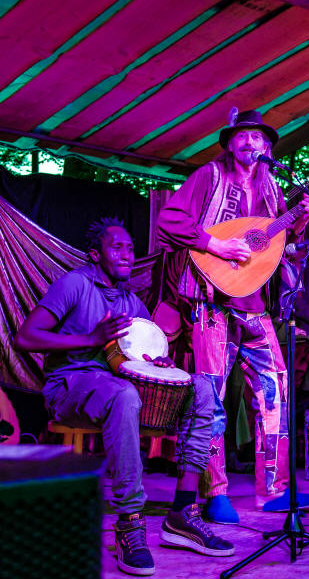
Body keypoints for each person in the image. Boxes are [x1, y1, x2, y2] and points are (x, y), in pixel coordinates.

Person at [15, 218, 234, 577]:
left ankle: (182, 512)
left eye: (131, 248)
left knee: (202, 388)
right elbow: (27, 337)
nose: (127, 254)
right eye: (117, 247)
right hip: (71, 384)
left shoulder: (133, 303)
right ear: (94, 254)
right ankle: (130, 522)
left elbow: (139, 360)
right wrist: (90, 339)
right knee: (124, 395)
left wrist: (157, 363)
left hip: (117, 388)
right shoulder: (75, 284)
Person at [156, 109, 309, 522]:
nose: (251, 144)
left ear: (267, 148)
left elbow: (277, 239)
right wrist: (216, 245)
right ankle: (214, 494)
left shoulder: (271, 187)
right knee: (210, 397)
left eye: (258, 139)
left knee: (275, 390)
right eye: (243, 136)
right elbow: (170, 220)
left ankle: (273, 490)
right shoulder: (208, 177)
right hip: (210, 301)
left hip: (254, 304)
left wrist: (300, 220)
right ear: (230, 143)